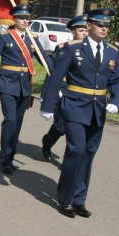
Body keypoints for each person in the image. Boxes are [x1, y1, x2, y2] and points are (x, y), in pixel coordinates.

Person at [40, 9, 119, 218]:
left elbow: (117, 79)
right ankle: (65, 198)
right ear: (89, 26)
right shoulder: (72, 48)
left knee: (88, 153)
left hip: (97, 110)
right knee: (76, 150)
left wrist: (116, 101)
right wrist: (48, 106)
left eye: (107, 25)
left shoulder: (112, 52)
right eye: (99, 24)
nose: (104, 28)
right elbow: (56, 77)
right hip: (75, 106)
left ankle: (79, 199)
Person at [0, 4, 53, 175]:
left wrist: (59, 77)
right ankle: (4, 159)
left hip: (25, 86)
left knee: (18, 123)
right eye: (21, 18)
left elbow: (47, 63)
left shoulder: (33, 39)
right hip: (7, 84)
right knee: (10, 121)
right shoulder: (6, 38)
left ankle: (10, 156)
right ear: (14, 19)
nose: (25, 21)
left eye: (27, 18)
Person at [40, 15, 89, 160]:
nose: (85, 33)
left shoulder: (92, 50)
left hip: (81, 94)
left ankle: (70, 161)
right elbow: (54, 74)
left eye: (86, 30)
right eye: (81, 30)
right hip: (64, 91)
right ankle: (47, 142)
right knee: (60, 127)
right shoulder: (63, 48)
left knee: (74, 130)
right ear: (73, 32)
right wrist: (47, 93)